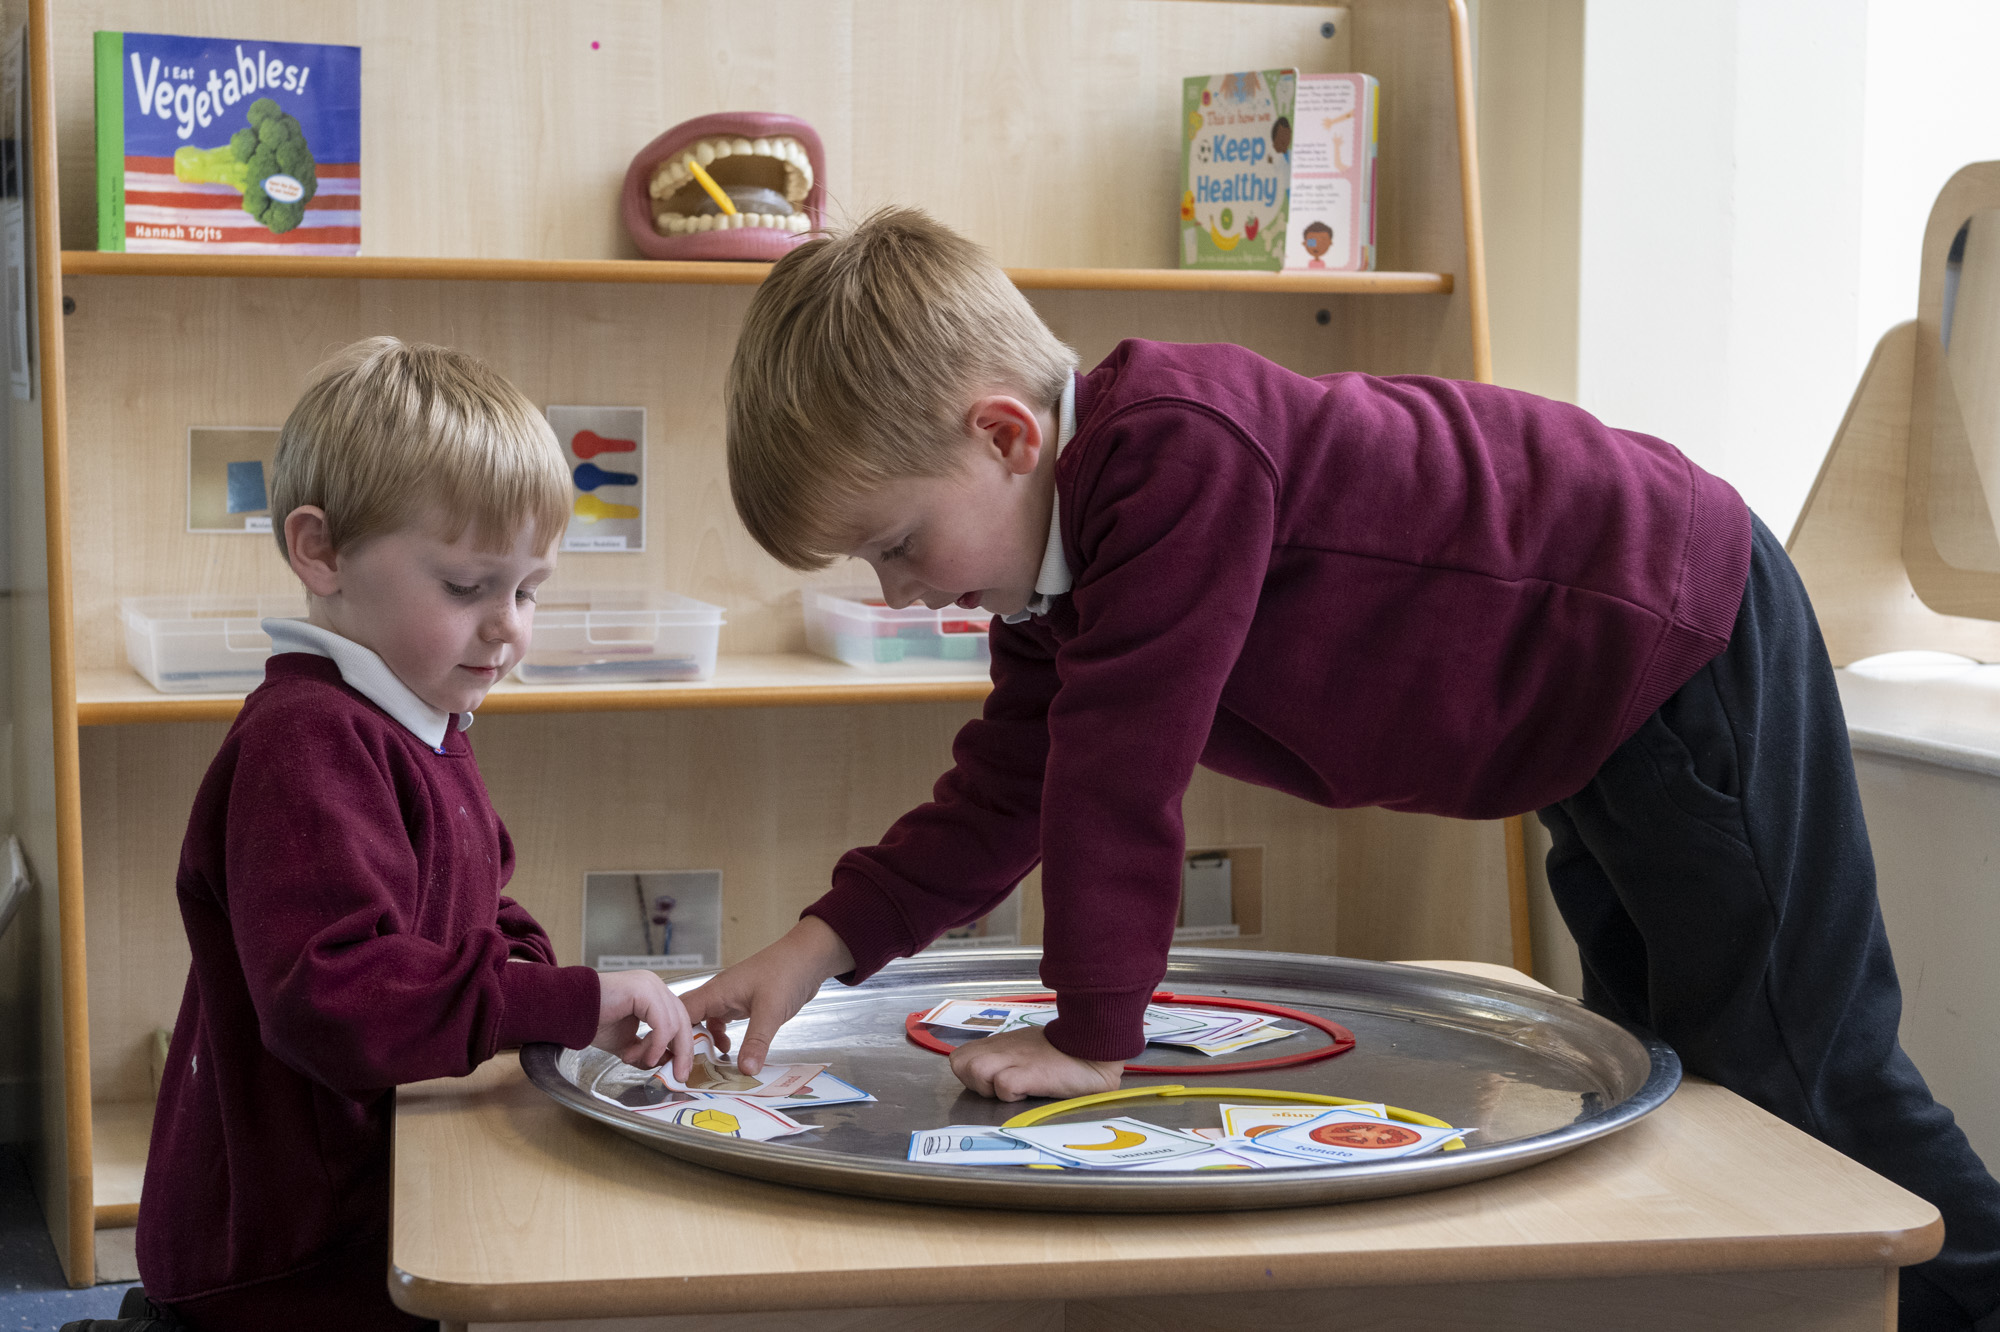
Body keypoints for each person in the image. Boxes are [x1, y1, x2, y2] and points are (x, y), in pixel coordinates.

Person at [685, 208, 2000, 1331]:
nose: (901, 591)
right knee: (1680, 1065)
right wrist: (813, 951)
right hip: (1588, 713)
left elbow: (1120, 771)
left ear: (1008, 439)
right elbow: (1007, 787)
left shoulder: (1170, 453)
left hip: (1677, 627)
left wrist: (1097, 1033)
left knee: (1800, 1075)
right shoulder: (1058, 581)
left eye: (898, 545)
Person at [124, 337, 694, 1332]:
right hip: (281, 1258)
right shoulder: (306, 743)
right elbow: (333, 998)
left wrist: (538, 985)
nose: (507, 627)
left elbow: (473, 895)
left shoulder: (415, 717)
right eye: (469, 587)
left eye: (527, 592)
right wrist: (554, 998)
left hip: (369, 1195)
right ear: (321, 552)